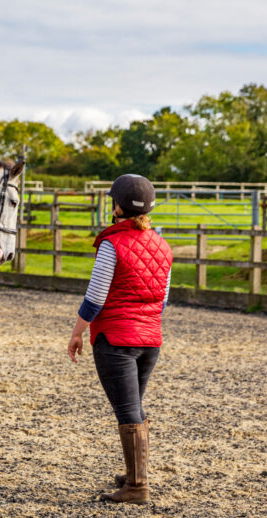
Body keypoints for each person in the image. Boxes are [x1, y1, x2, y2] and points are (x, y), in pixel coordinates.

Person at [67, 174, 173, 504]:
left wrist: (77, 332)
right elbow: (163, 298)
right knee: (134, 407)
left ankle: (137, 487)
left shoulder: (112, 245)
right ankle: (134, 474)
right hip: (150, 340)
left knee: (128, 410)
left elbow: (95, 298)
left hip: (116, 339)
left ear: (118, 206)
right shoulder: (162, 245)